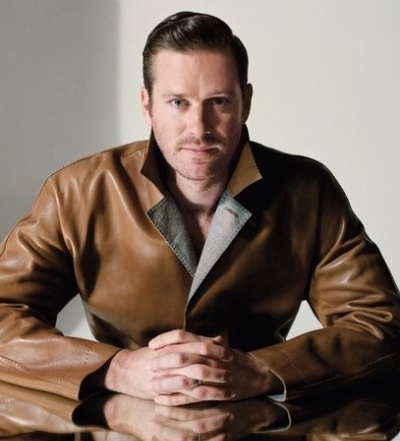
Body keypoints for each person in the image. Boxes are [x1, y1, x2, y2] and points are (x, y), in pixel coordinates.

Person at [0, 11, 399, 408]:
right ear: (147, 104)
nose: (199, 128)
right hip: (117, 435)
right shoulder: (77, 191)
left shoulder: (308, 191)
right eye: (178, 102)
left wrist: (260, 371)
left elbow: (381, 324)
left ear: (245, 102)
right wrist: (118, 369)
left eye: (219, 101)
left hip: (263, 435)